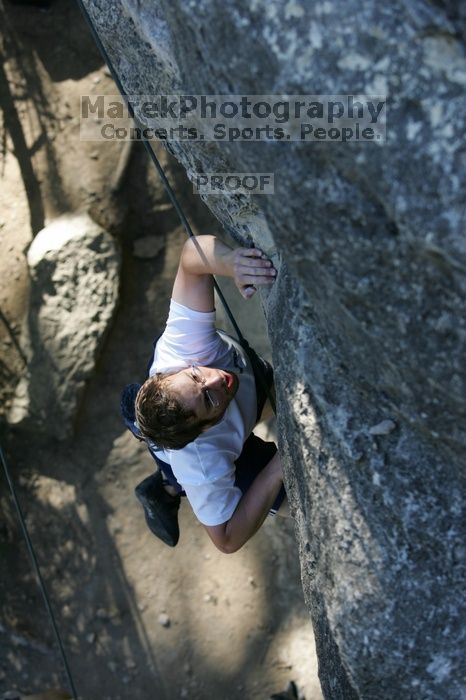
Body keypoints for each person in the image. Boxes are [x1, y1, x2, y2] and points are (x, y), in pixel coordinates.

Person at [123, 234, 286, 553]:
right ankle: (168, 486)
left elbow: (191, 257)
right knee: (294, 495)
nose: (217, 380)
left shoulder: (182, 349)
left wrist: (232, 263)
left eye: (197, 376)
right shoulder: (203, 460)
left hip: (243, 390)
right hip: (205, 455)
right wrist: (278, 468)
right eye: (209, 400)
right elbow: (226, 538)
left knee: (272, 394)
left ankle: (165, 480)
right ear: (205, 429)